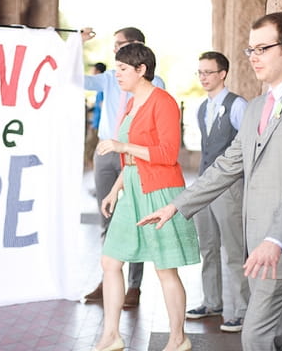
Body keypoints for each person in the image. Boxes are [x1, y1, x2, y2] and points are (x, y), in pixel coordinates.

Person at [139, 12, 282, 351]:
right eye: (250, 50)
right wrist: (177, 204)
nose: (254, 57)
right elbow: (226, 165)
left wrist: (276, 239)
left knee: (257, 335)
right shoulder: (258, 105)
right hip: (257, 244)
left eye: (263, 48)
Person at [93, 42, 198, 351]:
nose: (117, 75)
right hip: (134, 189)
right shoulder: (130, 103)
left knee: (165, 268)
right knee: (110, 261)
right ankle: (111, 335)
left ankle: (178, 339)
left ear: (141, 69)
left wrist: (121, 147)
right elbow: (131, 160)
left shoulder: (163, 101)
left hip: (161, 190)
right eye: (116, 69)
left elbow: (167, 154)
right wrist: (115, 189)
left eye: (123, 69)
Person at [81, 27, 165, 308]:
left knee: (136, 218)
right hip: (106, 151)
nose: (115, 48)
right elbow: (74, 79)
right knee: (107, 217)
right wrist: (75, 46)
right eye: (114, 44)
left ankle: (134, 286)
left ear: (137, 46)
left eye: (121, 44)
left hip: (135, 154)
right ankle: (108, 280)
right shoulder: (107, 79)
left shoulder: (157, 84)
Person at [185, 51, 250, 333]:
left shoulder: (238, 106)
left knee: (234, 250)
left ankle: (243, 310)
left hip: (229, 187)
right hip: (204, 185)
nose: (203, 77)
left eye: (208, 72)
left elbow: (249, 147)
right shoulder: (202, 107)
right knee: (208, 247)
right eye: (200, 72)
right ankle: (212, 302)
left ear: (222, 73)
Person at [84, 62, 106, 170]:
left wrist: (96, 123)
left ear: (97, 71)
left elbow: (103, 106)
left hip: (98, 123)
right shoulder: (99, 89)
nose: (92, 72)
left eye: (93, 69)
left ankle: (92, 166)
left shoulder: (102, 88)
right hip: (96, 121)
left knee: (90, 145)